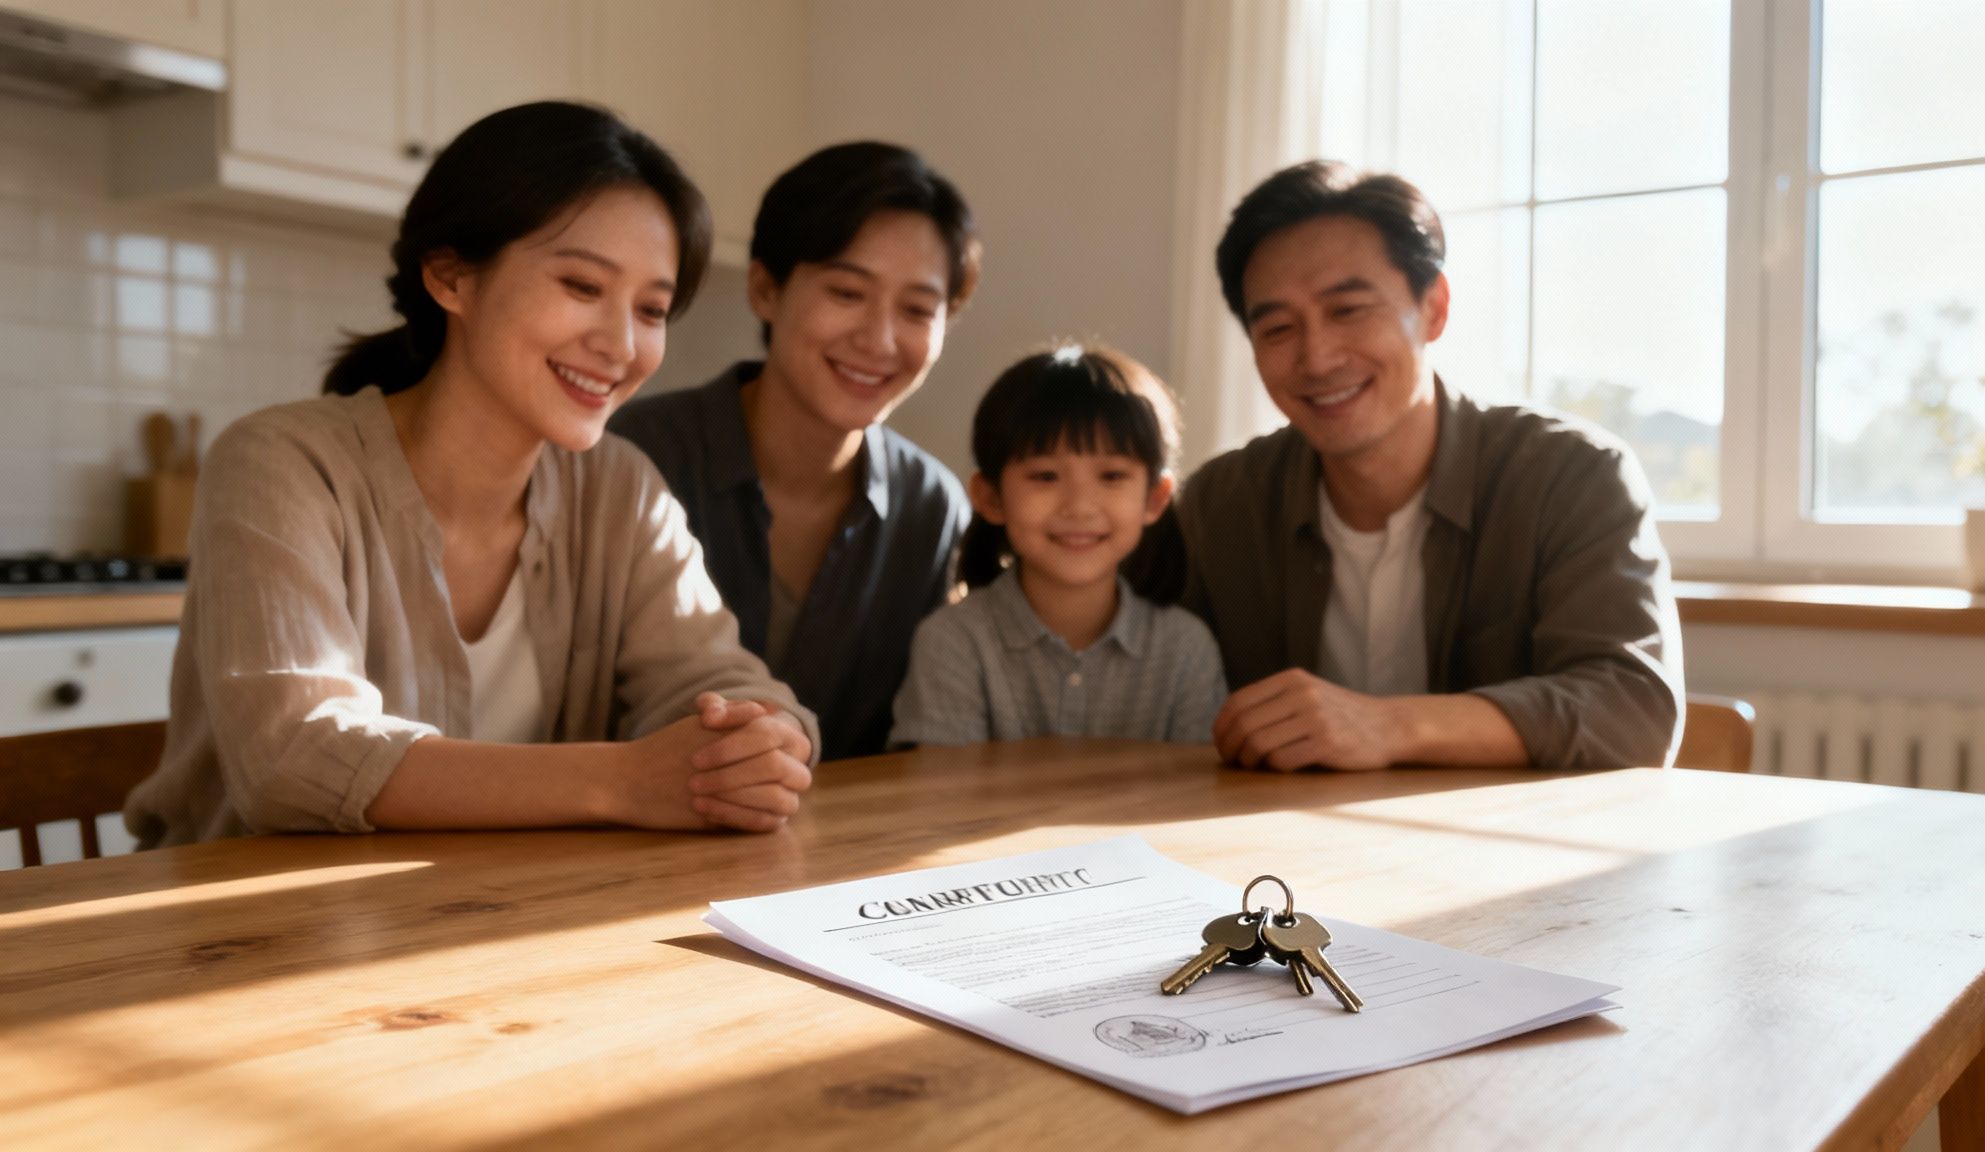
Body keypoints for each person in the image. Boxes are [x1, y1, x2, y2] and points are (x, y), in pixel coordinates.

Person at [124, 101, 818, 848]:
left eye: (651, 310)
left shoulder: (622, 489)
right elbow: (295, 757)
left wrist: (761, 744)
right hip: (245, 934)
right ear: (451, 277)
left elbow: (719, 680)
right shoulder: (283, 463)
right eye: (583, 287)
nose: (622, 345)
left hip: (490, 924)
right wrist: (622, 781)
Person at [1179, 161, 1683, 773]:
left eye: (1348, 311)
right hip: (1278, 857)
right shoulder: (1221, 504)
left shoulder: (1574, 477)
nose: (1317, 357)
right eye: (1279, 328)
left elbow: (1633, 711)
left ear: (1435, 308)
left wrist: (1387, 726)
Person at [609, 143, 978, 761]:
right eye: (847, 293)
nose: (879, 339)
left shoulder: (932, 507)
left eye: (917, 309)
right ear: (765, 289)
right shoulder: (632, 458)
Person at [888, 344, 1227, 746]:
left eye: (1113, 476)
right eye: (1046, 476)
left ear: (1155, 498)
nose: (1079, 506)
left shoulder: (1185, 649)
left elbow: (1202, 795)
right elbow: (940, 792)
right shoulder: (953, 642)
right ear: (990, 498)